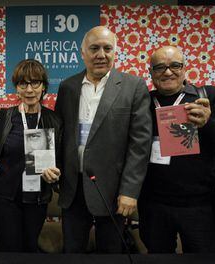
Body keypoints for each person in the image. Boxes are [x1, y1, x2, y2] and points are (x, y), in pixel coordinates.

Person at [139, 46, 215, 253]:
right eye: (160, 67)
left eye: (175, 66)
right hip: (154, 205)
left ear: (185, 68)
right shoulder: (142, 102)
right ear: (151, 72)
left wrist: (208, 123)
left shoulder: (207, 96)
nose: (168, 72)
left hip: (201, 206)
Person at [55, 26, 152, 253]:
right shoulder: (67, 87)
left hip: (113, 190)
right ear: (82, 53)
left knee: (111, 254)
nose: (101, 54)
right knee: (72, 253)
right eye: (94, 48)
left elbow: (140, 144)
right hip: (73, 188)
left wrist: (129, 191)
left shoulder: (133, 86)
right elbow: (60, 135)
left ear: (115, 52)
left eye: (107, 48)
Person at [0, 59, 62, 252]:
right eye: (23, 83)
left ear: (43, 87)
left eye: (35, 83)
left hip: (37, 199)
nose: (29, 89)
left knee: (30, 248)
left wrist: (56, 173)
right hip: (4, 198)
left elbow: (61, 159)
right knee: (8, 250)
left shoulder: (55, 120)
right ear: (16, 88)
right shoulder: (0, 118)